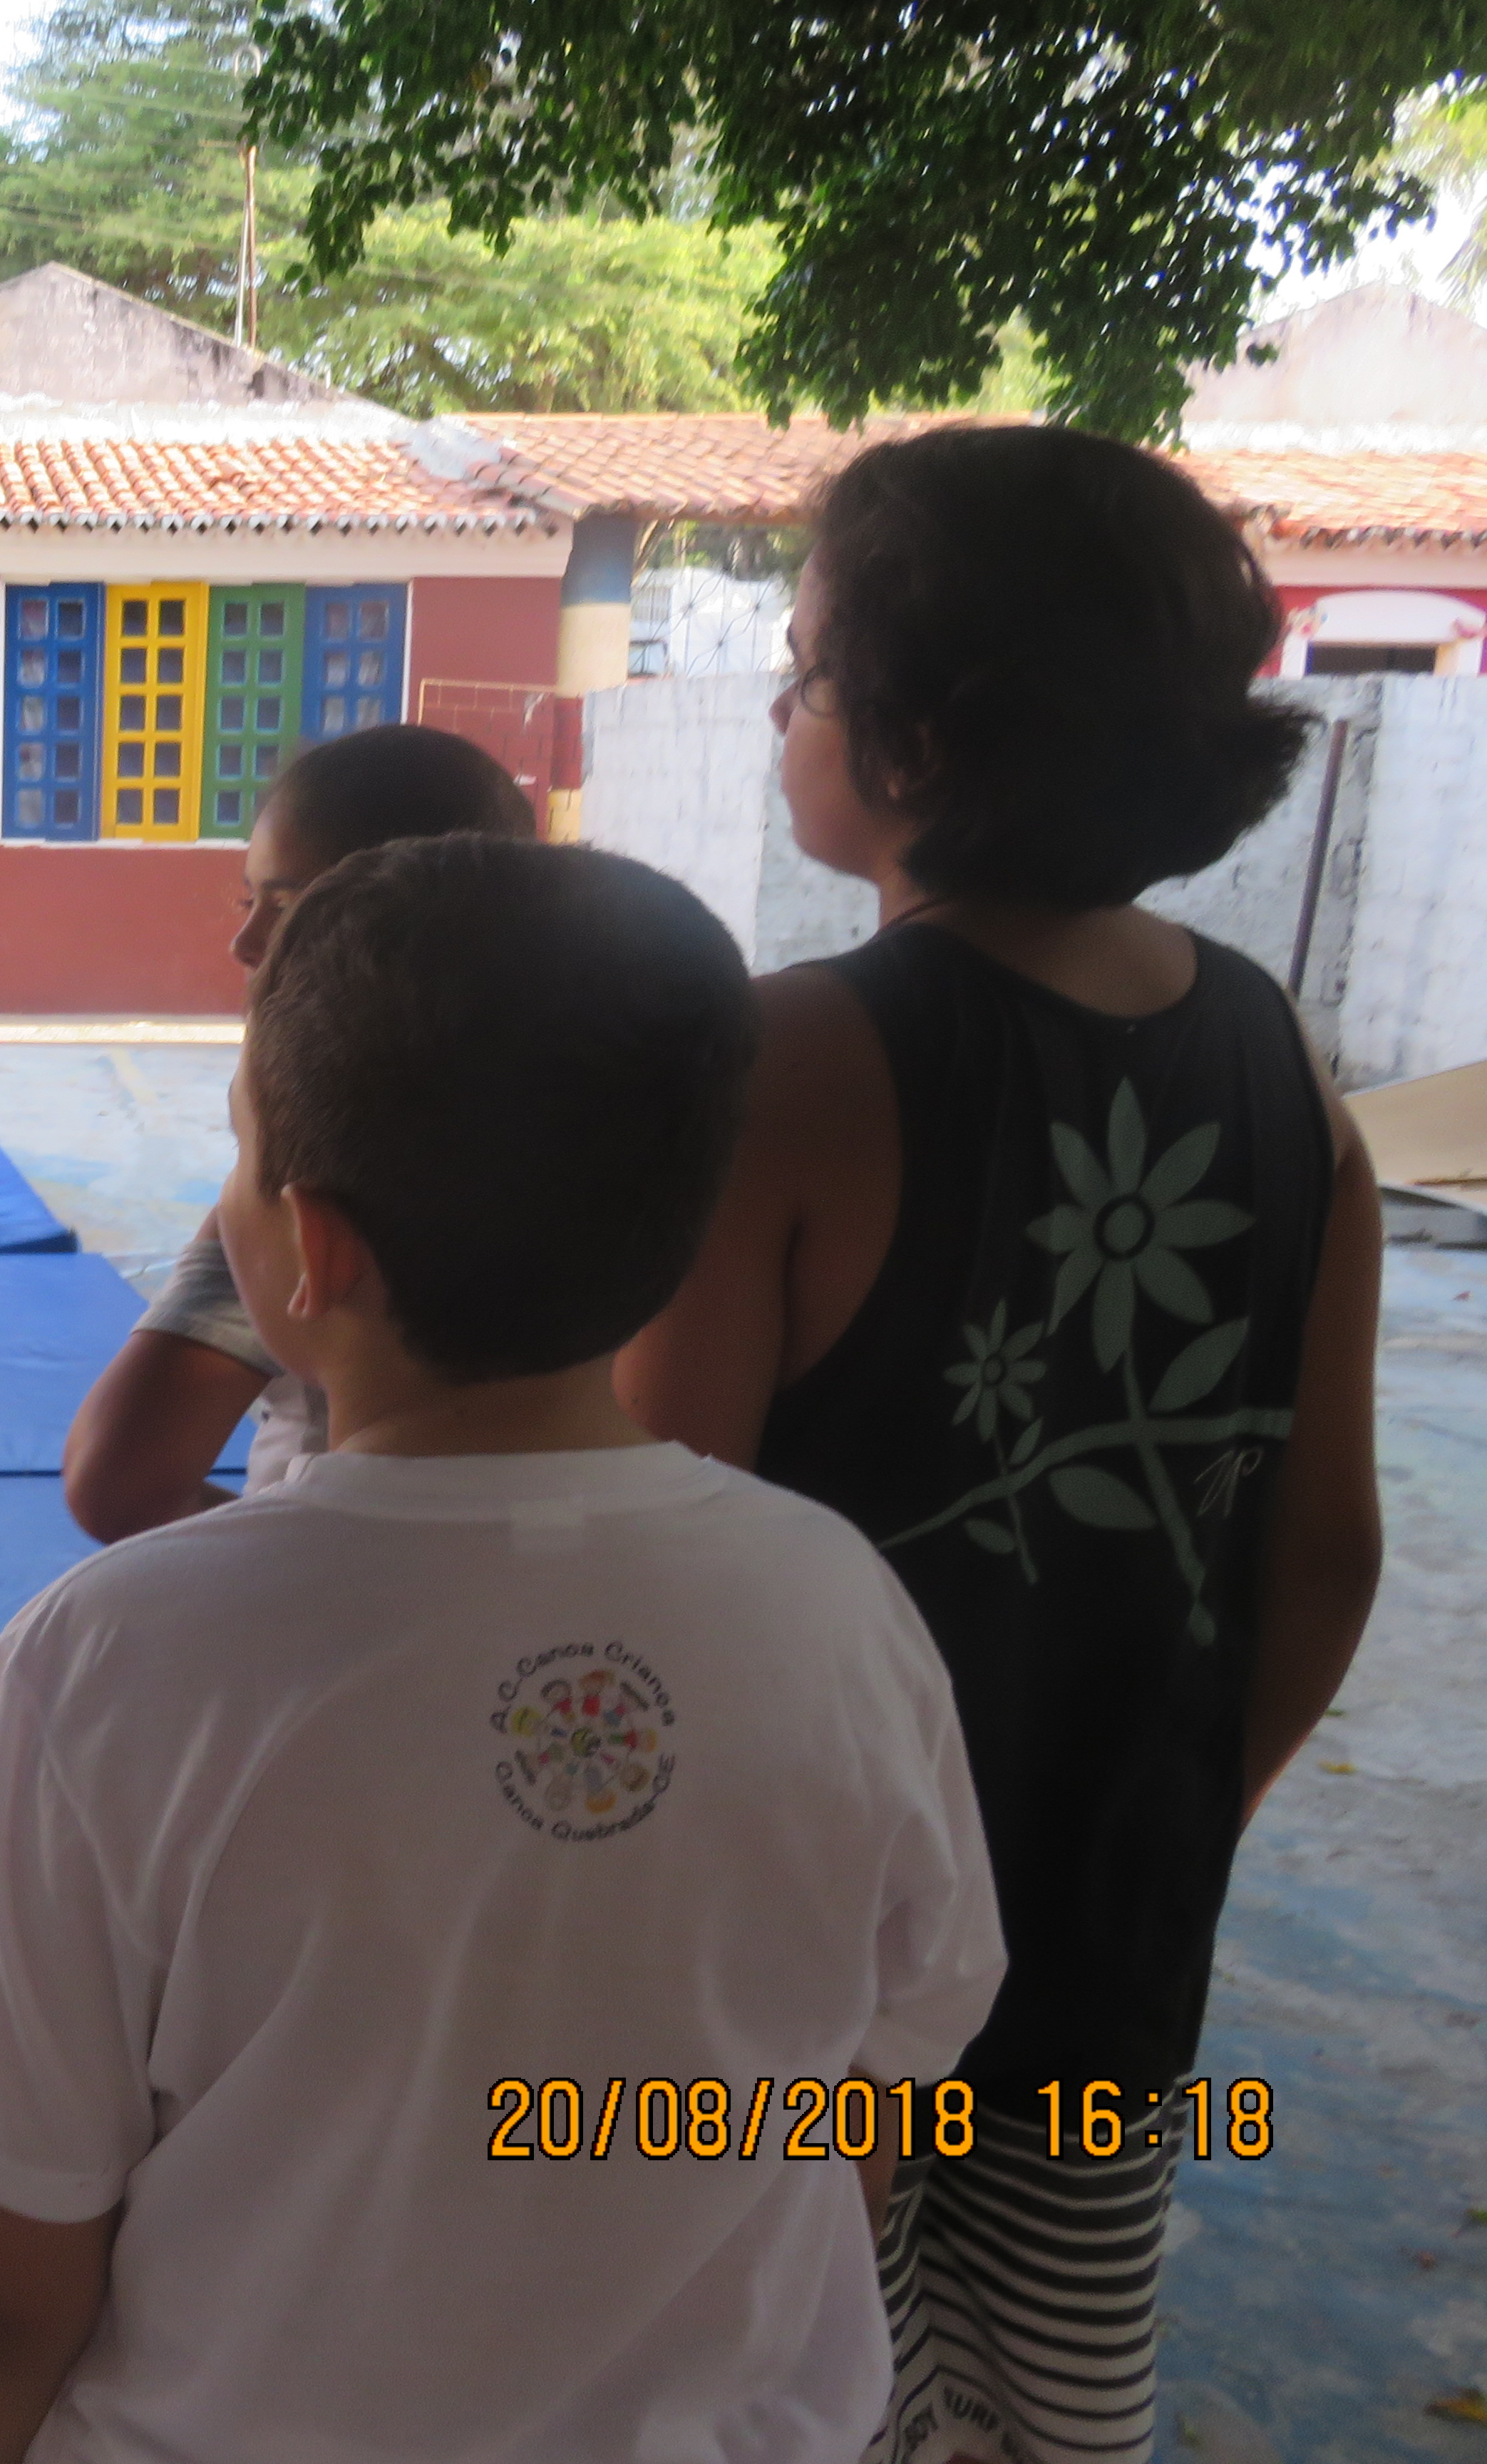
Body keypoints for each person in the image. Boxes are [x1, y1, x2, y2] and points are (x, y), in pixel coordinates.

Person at [0, 834, 1005, 2464]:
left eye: (239, 1148)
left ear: (313, 1249)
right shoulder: (843, 1607)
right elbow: (879, 2089)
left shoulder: (105, 1660)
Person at [619, 426, 1384, 2464]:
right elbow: (1327, 1551)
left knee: (813, 2381)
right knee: (1064, 2378)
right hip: (1118, 1902)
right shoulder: (1287, 1065)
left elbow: (658, 1549)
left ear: (923, 737)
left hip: (816, 1932)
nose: (777, 708)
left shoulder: (787, 1066)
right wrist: (1182, 1804)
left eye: (801, 666)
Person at [62, 724, 538, 1539]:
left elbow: (117, 1481)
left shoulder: (309, 1155)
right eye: (248, 902)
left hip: (323, 1581)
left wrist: (281, 1544)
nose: (244, 943)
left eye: (285, 909)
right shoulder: (596, 1127)